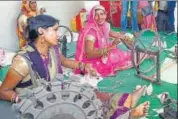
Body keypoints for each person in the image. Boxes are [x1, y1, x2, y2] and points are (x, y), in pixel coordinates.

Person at [0, 14, 150, 119]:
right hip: (38, 106)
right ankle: (126, 115)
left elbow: (64, 61)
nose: (58, 34)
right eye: (55, 30)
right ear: (41, 32)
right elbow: (3, 91)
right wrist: (23, 100)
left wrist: (84, 66)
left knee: (89, 93)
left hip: (53, 93)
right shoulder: (23, 61)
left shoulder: (51, 49)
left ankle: (126, 101)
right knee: (84, 109)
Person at [75, 5, 140, 77]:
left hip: (104, 51)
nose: (100, 17)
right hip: (93, 58)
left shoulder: (103, 25)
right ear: (92, 17)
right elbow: (89, 55)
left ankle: (142, 55)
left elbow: (112, 33)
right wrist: (110, 48)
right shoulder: (91, 32)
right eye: (96, 15)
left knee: (125, 55)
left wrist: (125, 37)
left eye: (102, 14)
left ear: (105, 15)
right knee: (118, 58)